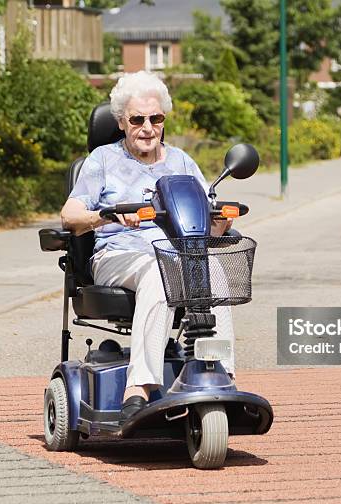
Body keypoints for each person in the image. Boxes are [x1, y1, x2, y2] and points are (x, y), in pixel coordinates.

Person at [60, 71, 235, 425]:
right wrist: (105, 217)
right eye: (137, 119)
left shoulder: (182, 162)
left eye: (155, 119)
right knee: (159, 270)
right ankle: (139, 385)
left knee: (215, 271)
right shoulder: (102, 160)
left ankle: (222, 373)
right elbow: (70, 215)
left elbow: (206, 213)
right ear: (122, 122)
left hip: (178, 255)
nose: (147, 127)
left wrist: (220, 220)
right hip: (118, 255)